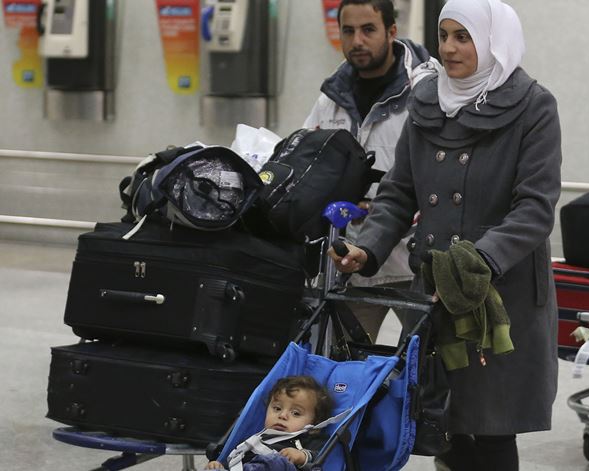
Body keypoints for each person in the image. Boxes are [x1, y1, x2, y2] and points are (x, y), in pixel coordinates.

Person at [328, 0, 562, 469]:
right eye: (445, 35)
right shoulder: (428, 99)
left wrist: (480, 258)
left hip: (501, 297)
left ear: (495, 41)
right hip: (436, 292)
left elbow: (535, 208)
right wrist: (367, 248)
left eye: (464, 37)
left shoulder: (533, 106)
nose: (450, 48)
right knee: (443, 425)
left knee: (491, 427)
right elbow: (398, 192)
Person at [304, 0, 435, 342]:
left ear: (392, 32)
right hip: (350, 266)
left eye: (368, 30)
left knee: (426, 379)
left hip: (414, 267)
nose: (357, 41)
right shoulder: (330, 99)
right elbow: (308, 170)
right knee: (340, 376)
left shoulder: (427, 93)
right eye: (348, 31)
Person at [206, 376, 335, 470]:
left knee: (277, 461)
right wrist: (220, 466)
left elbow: (322, 456)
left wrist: (302, 456)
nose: (282, 415)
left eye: (296, 413)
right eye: (277, 408)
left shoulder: (310, 439)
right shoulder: (254, 439)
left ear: (314, 425)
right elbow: (238, 462)